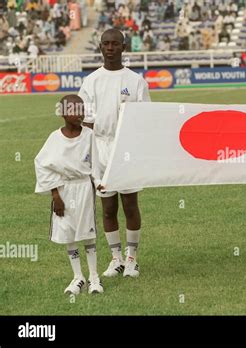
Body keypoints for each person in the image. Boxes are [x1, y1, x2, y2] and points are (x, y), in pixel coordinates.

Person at [78, 28, 151, 278]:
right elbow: (85, 123)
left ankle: (132, 258)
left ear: (124, 47)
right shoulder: (91, 81)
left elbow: (145, 120)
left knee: (130, 204)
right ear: (100, 47)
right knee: (107, 207)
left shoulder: (135, 81)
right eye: (106, 44)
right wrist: (86, 157)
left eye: (115, 44)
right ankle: (116, 258)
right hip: (100, 148)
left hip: (127, 147)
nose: (110, 48)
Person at [34, 95, 103, 295]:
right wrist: (55, 195)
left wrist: (98, 183)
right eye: (74, 110)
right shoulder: (55, 138)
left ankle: (94, 277)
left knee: (87, 232)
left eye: (82, 110)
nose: (79, 114)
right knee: (68, 233)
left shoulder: (89, 135)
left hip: (83, 188)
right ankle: (77, 277)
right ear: (63, 113)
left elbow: (95, 165)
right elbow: (42, 164)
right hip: (63, 190)